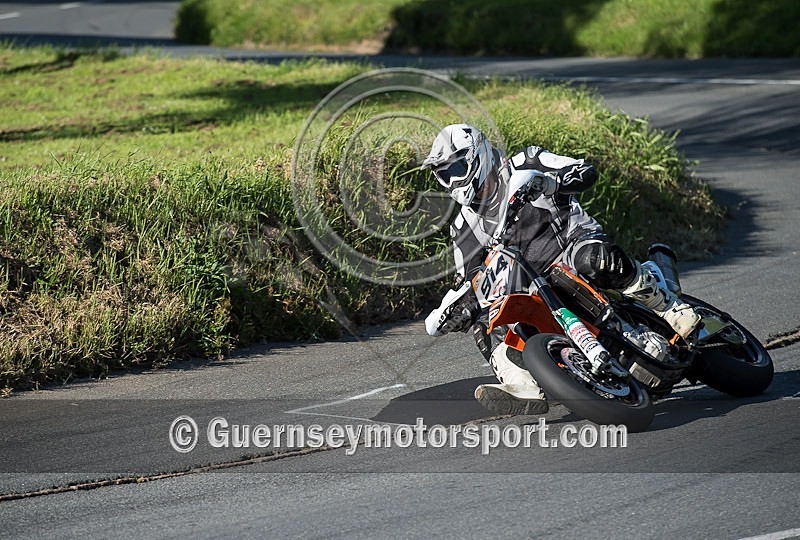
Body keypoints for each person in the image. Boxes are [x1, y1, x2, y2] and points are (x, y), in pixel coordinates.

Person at [421, 124, 700, 416]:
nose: (453, 180)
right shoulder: (463, 227)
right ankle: (521, 384)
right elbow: (472, 279)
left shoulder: (525, 162)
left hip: (573, 244)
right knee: (486, 323)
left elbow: (585, 171)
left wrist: (548, 183)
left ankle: (669, 307)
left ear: (478, 155)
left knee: (592, 259)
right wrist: (461, 309)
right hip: (530, 284)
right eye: (445, 174)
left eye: (457, 169)